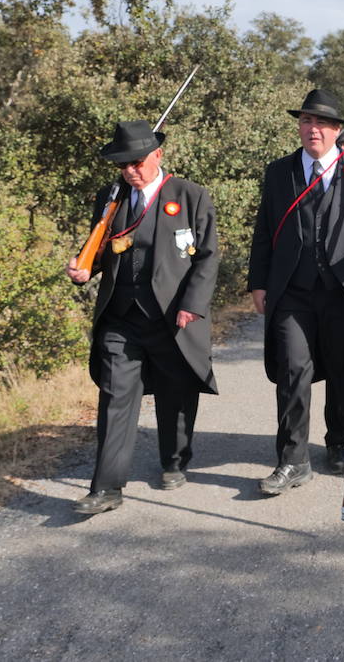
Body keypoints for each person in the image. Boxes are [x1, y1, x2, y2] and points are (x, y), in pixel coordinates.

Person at [65, 120, 219, 514]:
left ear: (158, 156)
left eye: (137, 163)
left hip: (171, 317)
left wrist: (192, 304)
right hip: (121, 318)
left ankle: (174, 459)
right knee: (115, 397)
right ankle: (106, 488)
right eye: (123, 165)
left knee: (175, 391)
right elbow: (99, 246)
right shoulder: (110, 197)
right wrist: (86, 268)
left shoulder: (189, 196)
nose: (131, 171)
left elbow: (206, 258)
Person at [247, 89, 344, 495]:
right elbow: (264, 232)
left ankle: (336, 440)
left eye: (322, 123)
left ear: (337, 131)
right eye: (307, 121)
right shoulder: (280, 172)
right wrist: (258, 282)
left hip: (343, 290)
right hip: (291, 292)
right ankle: (293, 461)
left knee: (341, 371)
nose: (313, 129)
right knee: (293, 371)